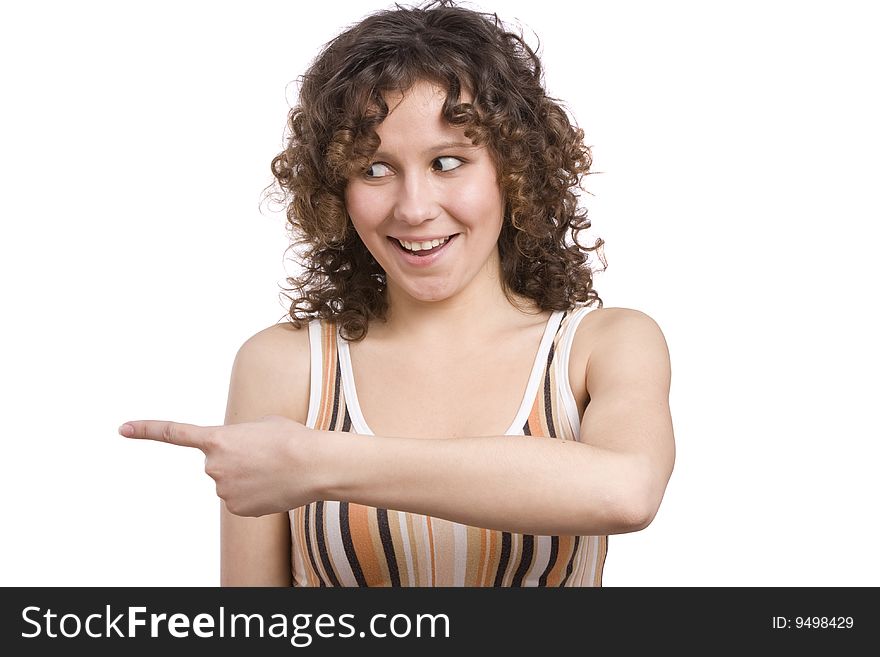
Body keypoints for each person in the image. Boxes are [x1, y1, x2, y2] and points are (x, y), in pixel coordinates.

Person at [119, 0, 674, 587]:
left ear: (514, 170)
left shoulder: (604, 345)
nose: (413, 208)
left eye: (449, 162)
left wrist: (316, 462)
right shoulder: (286, 367)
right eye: (375, 170)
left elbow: (626, 491)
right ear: (335, 186)